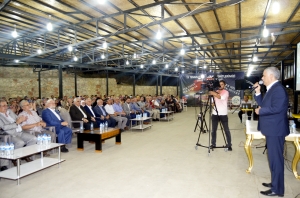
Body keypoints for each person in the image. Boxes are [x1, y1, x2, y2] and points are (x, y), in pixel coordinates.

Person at [254, 67, 289, 197]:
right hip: (272, 129)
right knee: (273, 159)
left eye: (264, 76)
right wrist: (258, 92)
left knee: (276, 160)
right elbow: (264, 104)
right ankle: (275, 183)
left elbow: (277, 108)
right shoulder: (272, 89)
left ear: (271, 76)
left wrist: (260, 111)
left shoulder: (278, 89)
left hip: (276, 130)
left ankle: (277, 189)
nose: (262, 78)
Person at [0, 99, 37, 165]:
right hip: (10, 134)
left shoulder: (9, 111)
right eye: (4, 106)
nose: (6, 107)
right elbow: (4, 127)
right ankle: (15, 158)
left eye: (6, 105)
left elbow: (17, 118)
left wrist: (22, 119)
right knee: (20, 142)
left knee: (34, 139)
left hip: (19, 131)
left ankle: (26, 155)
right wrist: (17, 123)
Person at [208, 80, 232, 151]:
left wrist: (213, 93)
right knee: (213, 130)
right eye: (219, 84)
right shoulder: (216, 92)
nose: (220, 86)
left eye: (222, 84)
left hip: (223, 114)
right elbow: (212, 102)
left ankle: (229, 144)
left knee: (226, 130)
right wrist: (211, 98)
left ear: (224, 85)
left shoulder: (226, 92)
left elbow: (221, 97)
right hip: (215, 113)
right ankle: (213, 144)